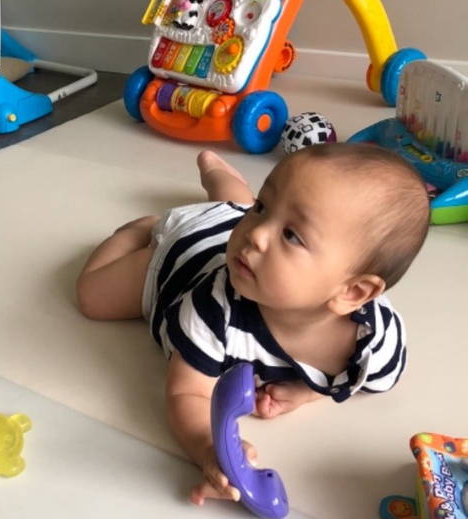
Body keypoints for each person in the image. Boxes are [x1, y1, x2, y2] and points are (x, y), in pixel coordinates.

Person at [75, 143, 429, 506]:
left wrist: (309, 392)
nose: (257, 233)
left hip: (228, 227)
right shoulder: (213, 308)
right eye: (263, 206)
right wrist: (208, 449)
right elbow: (188, 393)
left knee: (235, 211)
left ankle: (231, 189)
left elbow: (366, 382)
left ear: (354, 291)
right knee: (93, 298)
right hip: (183, 254)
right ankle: (144, 228)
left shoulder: (374, 343)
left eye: (292, 235)